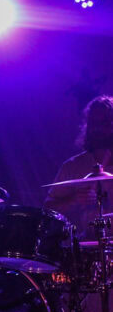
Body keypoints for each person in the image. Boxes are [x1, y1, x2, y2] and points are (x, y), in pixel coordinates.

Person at [44, 95, 113, 240]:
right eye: (94, 123)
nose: (99, 129)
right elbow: (48, 209)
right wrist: (74, 199)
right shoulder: (72, 166)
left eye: (105, 123)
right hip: (85, 246)